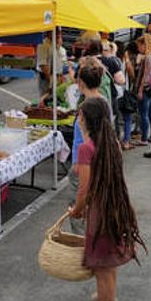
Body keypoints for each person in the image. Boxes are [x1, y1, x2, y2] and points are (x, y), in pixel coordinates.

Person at [68, 97, 146, 301]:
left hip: (99, 214)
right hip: (116, 207)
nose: (78, 119)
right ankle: (106, 299)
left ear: (85, 119)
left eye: (80, 115)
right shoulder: (112, 142)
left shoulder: (85, 148)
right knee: (109, 266)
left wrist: (77, 211)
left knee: (102, 268)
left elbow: (84, 190)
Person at [69, 61, 109, 234]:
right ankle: (93, 241)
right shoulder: (104, 101)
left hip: (84, 161)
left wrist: (77, 162)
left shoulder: (85, 107)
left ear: (81, 83)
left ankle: (81, 245)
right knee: (97, 204)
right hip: (101, 159)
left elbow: (80, 138)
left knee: (80, 203)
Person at [133, 34, 151, 147]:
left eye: (139, 45)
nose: (138, 48)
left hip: (145, 89)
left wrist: (140, 90)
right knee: (149, 114)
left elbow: (145, 76)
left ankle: (144, 138)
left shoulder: (147, 58)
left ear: (144, 45)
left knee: (143, 114)